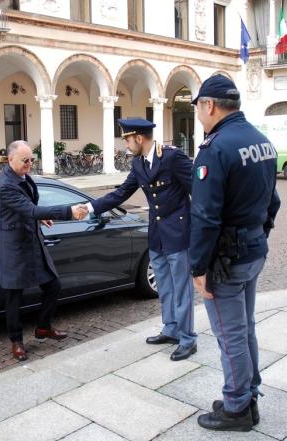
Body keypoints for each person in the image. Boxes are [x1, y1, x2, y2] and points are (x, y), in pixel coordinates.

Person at [190, 74, 281, 432]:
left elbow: (205, 216)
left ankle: (236, 407)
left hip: (226, 261)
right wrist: (259, 234)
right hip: (253, 251)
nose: (198, 114)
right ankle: (248, 394)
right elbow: (272, 201)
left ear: (209, 105)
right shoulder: (262, 141)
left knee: (230, 336)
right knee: (245, 330)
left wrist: (198, 266)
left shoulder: (215, 149)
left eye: (198, 107)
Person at [78, 118, 197, 361]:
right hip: (156, 235)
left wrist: (202, 230)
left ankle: (187, 338)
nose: (126, 145)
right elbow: (120, 193)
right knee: (164, 285)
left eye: (127, 139)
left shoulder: (172, 157)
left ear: (139, 138)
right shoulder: (138, 163)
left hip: (178, 233)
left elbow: (199, 190)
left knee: (181, 288)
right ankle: (171, 328)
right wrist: (90, 208)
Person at [0, 140, 86, 361]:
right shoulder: (5, 185)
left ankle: (43, 327)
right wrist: (69, 211)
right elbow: (29, 208)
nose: (29, 164)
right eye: (25, 160)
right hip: (14, 247)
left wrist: (39, 216)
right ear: (10, 160)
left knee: (53, 285)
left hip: (32, 242)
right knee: (14, 297)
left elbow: (27, 207)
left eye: (31, 160)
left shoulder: (21, 176)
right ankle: (16, 341)